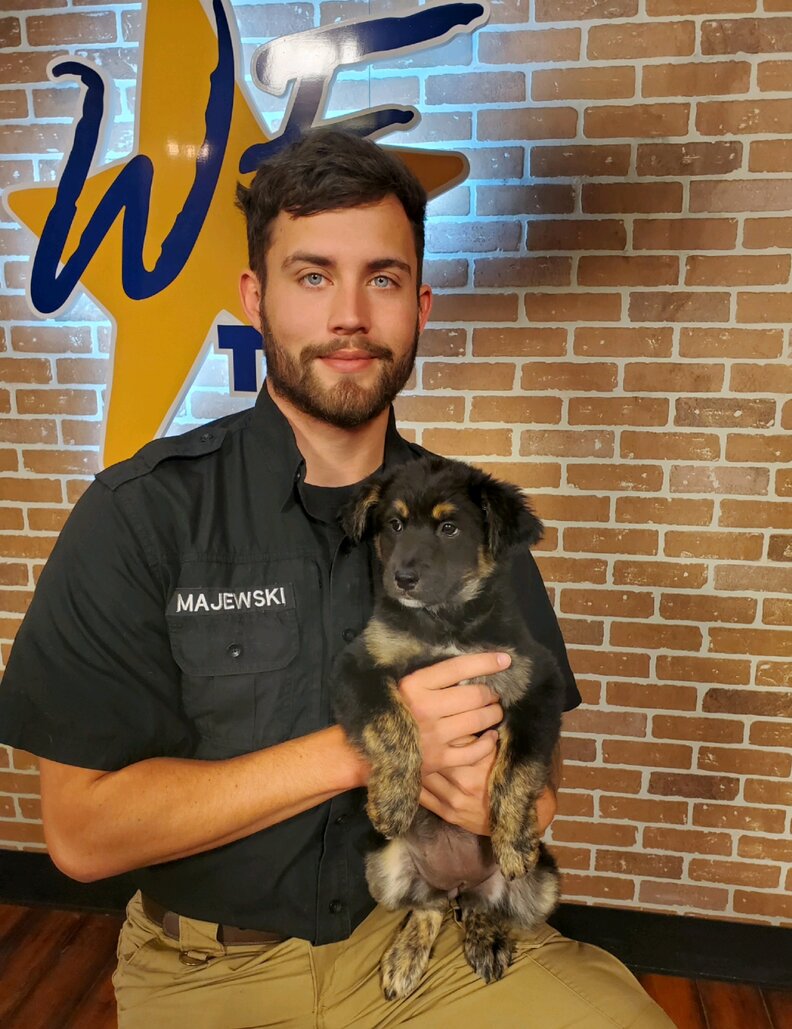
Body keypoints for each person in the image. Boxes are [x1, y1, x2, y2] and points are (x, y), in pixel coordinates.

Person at [0, 130, 672, 1028]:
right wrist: (372, 744)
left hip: (424, 936)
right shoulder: (140, 514)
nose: (349, 314)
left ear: (420, 305)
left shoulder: (475, 521)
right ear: (256, 297)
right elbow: (81, 836)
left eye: (382, 279)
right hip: (206, 970)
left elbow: (540, 783)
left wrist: (495, 792)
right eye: (313, 276)